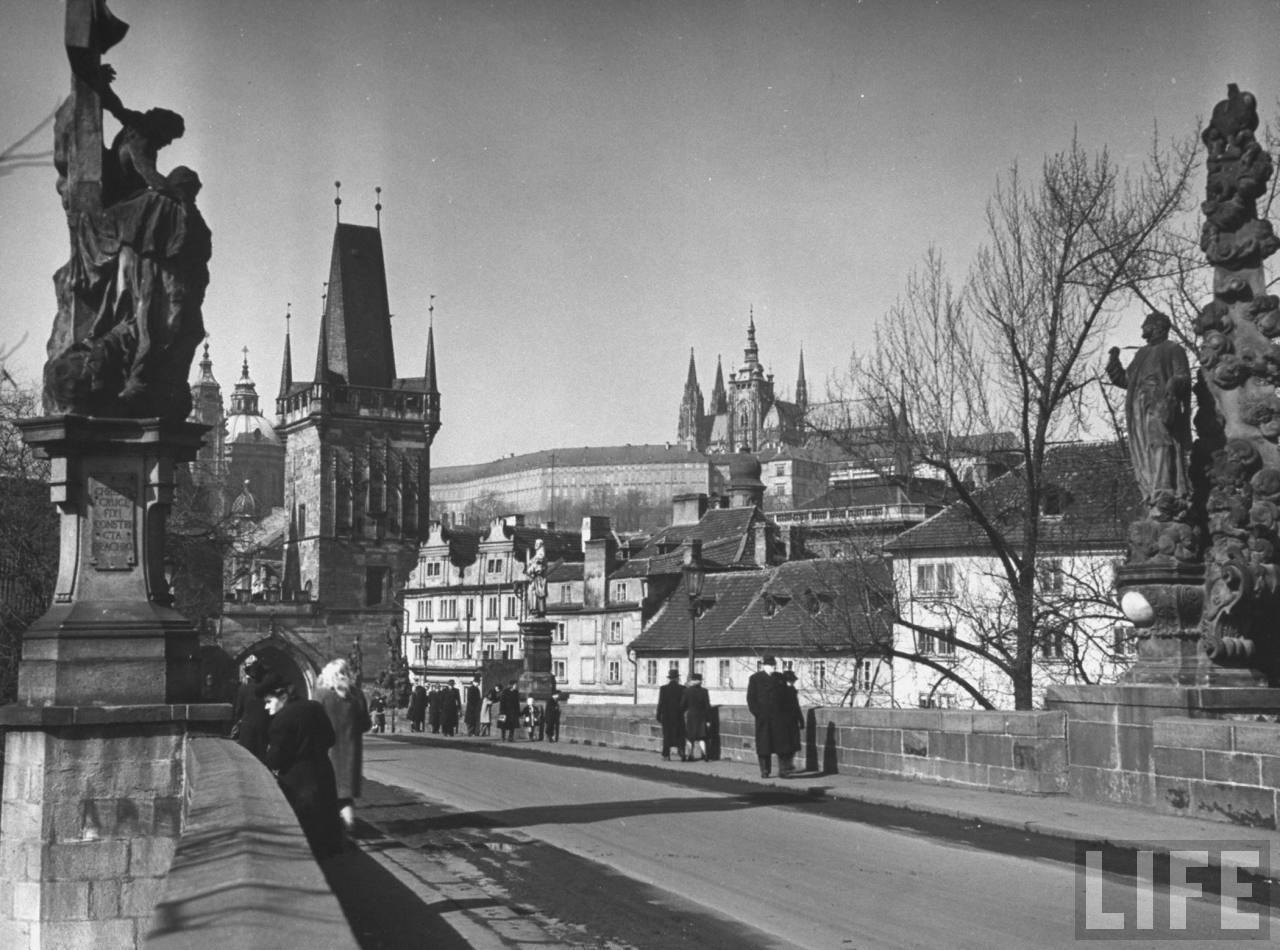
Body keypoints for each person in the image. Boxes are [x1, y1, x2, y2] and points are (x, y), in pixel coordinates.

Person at [1106, 312, 1191, 511]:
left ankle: (1165, 490)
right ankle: (1152, 489)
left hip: (1160, 404)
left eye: (1146, 325)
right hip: (1139, 408)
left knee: (1161, 442)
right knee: (1144, 449)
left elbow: (1183, 377)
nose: (1142, 329)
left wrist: (1172, 384)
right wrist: (1114, 361)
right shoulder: (1142, 353)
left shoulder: (1173, 349)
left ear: (1157, 326)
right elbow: (1126, 381)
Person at [261, 672, 342, 860]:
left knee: (306, 825)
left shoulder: (280, 721)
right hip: (323, 771)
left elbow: (275, 759)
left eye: (268, 701)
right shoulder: (315, 707)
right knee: (325, 822)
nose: (266, 707)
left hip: (296, 778)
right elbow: (330, 738)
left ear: (283, 697)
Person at [314, 658, 372, 835]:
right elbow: (366, 725)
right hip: (350, 756)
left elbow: (313, 724)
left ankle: (331, 836)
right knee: (345, 799)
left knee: (325, 796)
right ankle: (349, 830)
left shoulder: (321, 696)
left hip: (326, 754)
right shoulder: (357, 696)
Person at [231, 657, 271, 764]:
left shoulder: (244, 689)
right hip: (264, 729)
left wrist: (238, 722)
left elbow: (238, 710)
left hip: (247, 729)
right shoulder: (268, 689)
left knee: (247, 760)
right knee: (261, 760)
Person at [747, 655, 778, 778]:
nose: (773, 667)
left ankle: (782, 769)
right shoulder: (755, 678)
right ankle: (764, 769)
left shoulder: (777, 678)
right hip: (763, 717)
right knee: (763, 744)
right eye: (771, 665)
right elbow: (751, 698)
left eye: (774, 665)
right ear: (764, 666)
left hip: (776, 717)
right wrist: (758, 713)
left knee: (775, 743)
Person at [776, 670, 805, 777]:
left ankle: (788, 766)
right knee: (784, 748)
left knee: (792, 746)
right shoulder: (780, 691)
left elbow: (796, 707)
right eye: (791, 681)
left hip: (792, 722)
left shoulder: (792, 691)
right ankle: (783, 770)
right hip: (782, 723)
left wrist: (801, 720)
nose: (792, 683)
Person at [656, 668, 686, 760]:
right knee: (680, 735)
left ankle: (666, 755)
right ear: (677, 678)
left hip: (666, 716)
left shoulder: (663, 689)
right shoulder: (682, 688)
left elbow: (660, 703)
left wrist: (658, 714)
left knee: (667, 735)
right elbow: (684, 704)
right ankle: (681, 752)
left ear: (669, 678)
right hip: (678, 715)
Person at [680, 673, 711, 763]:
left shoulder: (687, 691)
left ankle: (690, 755)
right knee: (702, 736)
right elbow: (707, 706)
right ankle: (705, 755)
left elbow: (682, 705)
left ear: (693, 681)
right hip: (702, 716)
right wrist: (708, 720)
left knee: (690, 737)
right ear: (700, 681)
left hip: (691, 715)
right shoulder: (704, 691)